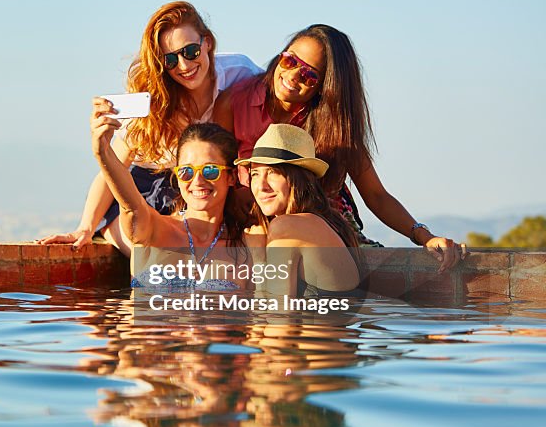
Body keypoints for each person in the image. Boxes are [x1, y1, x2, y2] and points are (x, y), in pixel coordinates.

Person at [214, 24, 462, 270]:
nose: (292, 76)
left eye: (309, 76)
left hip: (320, 225)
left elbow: (376, 195)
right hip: (251, 223)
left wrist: (423, 236)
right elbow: (218, 170)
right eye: (290, 61)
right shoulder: (235, 101)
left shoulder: (336, 125)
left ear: (325, 86)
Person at [40, 1, 261, 256]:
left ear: (207, 43)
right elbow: (114, 168)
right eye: (169, 59)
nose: (183, 66)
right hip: (142, 192)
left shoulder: (241, 73)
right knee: (154, 259)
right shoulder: (150, 99)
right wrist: (85, 228)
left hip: (209, 188)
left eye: (190, 51)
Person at [89, 103, 264, 286]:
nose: (197, 181)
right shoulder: (153, 231)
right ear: (177, 177)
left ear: (231, 176)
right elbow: (131, 206)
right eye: (186, 171)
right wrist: (103, 152)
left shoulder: (246, 247)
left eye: (210, 170)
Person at [235, 124, 361, 298]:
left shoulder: (288, 226)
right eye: (255, 174)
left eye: (273, 172)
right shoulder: (326, 222)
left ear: (299, 178)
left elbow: (276, 314)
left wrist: (258, 258)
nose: (261, 186)